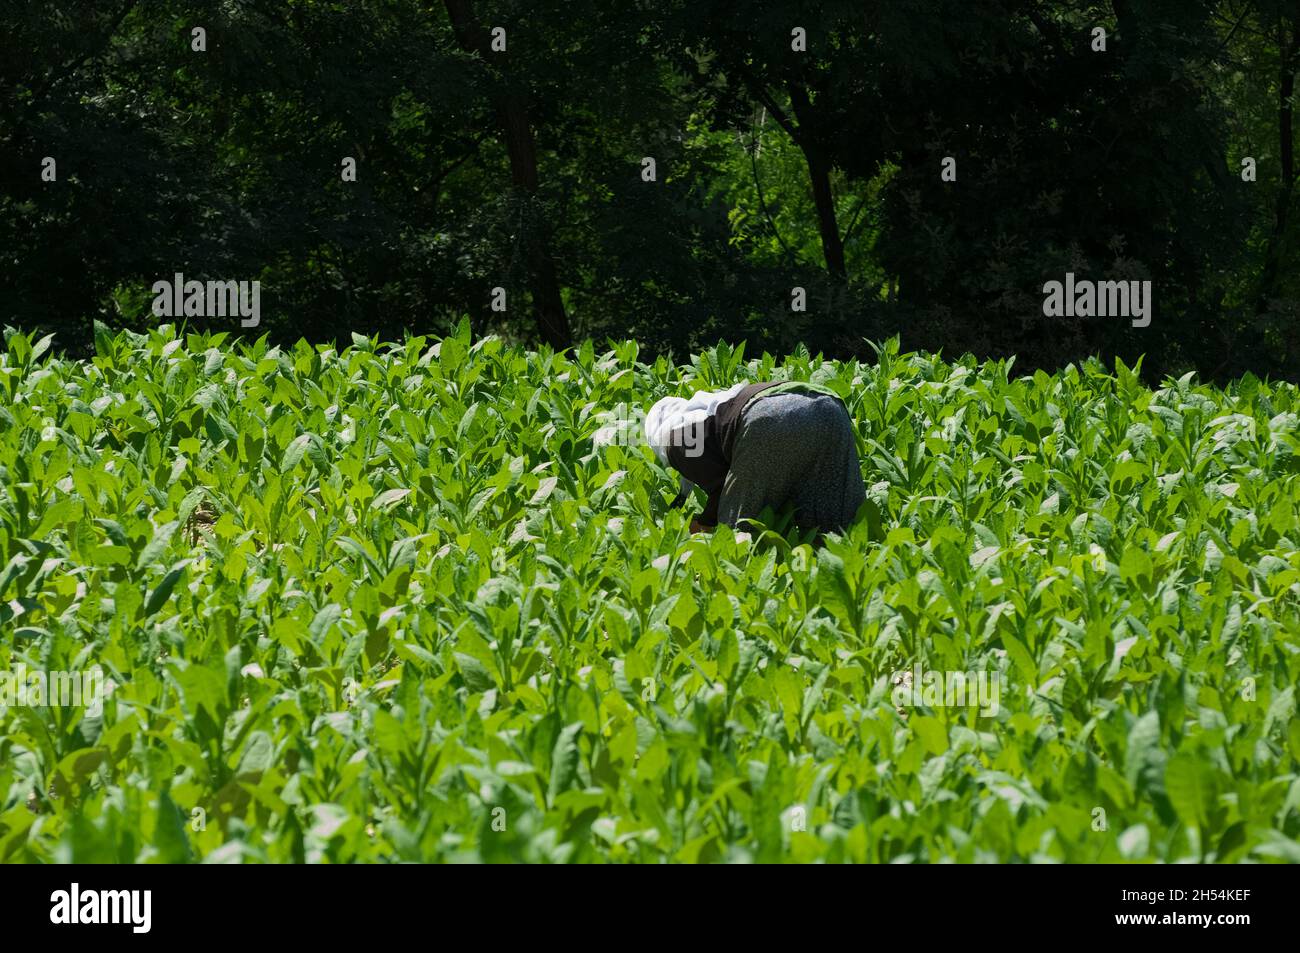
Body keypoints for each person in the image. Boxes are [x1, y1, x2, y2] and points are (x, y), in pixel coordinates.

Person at [644, 379, 866, 535]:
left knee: (739, 537)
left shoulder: (675, 438)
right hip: (829, 407)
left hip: (770, 416)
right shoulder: (713, 408)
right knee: (838, 528)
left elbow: (723, 489)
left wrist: (704, 524)